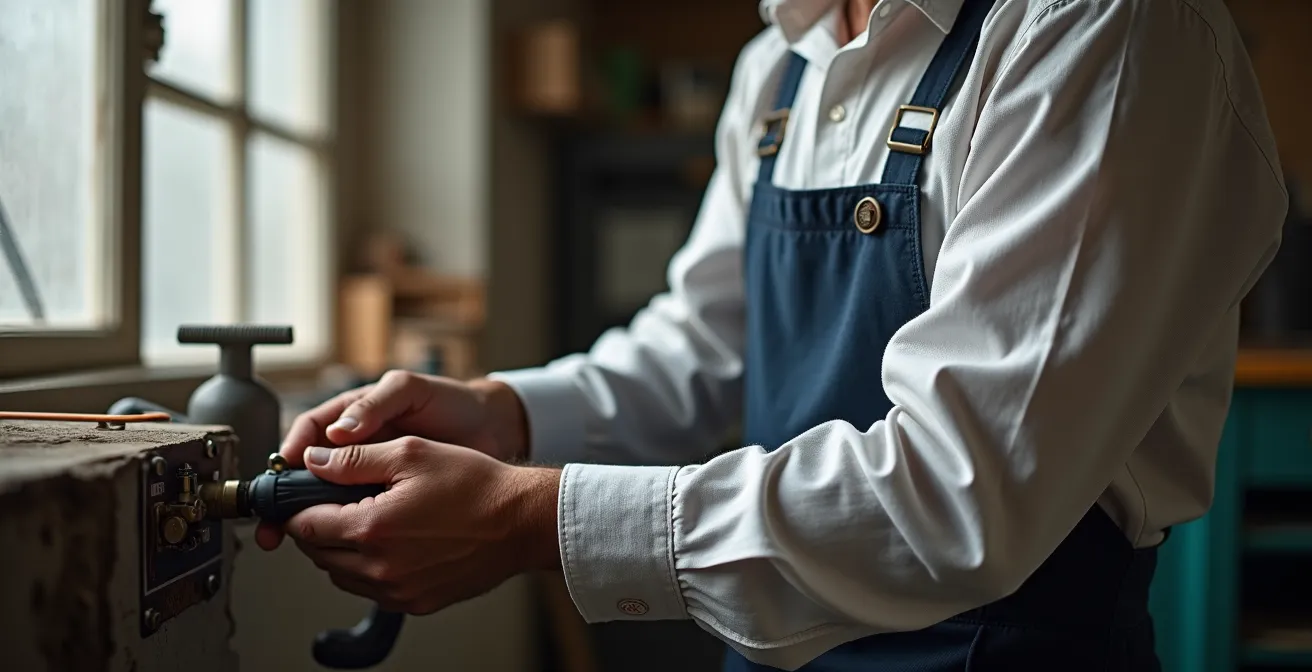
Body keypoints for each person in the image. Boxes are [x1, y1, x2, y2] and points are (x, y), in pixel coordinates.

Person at [258, 0, 1289, 669]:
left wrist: (531, 521)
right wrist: (506, 415)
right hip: (769, 648)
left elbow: (961, 493)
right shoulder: (777, 69)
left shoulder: (1098, 30)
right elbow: (708, 351)